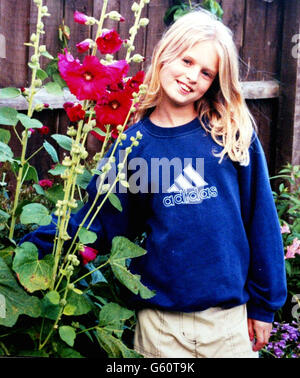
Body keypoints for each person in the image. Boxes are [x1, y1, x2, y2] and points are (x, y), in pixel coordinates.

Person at [23, 9, 287, 358]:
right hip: (160, 327)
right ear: (165, 54)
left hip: (228, 324)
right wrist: (31, 248)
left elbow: (262, 221)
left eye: (206, 72)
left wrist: (264, 305)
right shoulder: (134, 146)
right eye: (187, 60)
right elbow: (97, 222)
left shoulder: (229, 133)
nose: (193, 76)